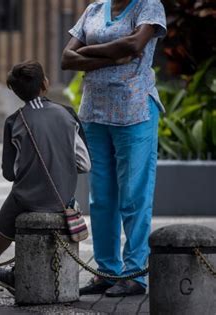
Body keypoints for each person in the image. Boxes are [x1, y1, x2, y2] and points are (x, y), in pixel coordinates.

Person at [0, 60, 91, 301]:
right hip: (63, 198)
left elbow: (10, 173)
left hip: (25, 198)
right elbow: (84, 164)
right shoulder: (68, 114)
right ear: (46, 83)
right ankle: (18, 272)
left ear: (16, 92)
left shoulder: (14, 121)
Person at [61, 0, 167, 297]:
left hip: (135, 112)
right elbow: (66, 59)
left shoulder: (148, 6)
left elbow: (135, 45)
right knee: (101, 199)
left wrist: (88, 53)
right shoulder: (94, 9)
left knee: (134, 196)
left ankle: (135, 274)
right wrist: (112, 55)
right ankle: (107, 272)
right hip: (95, 113)